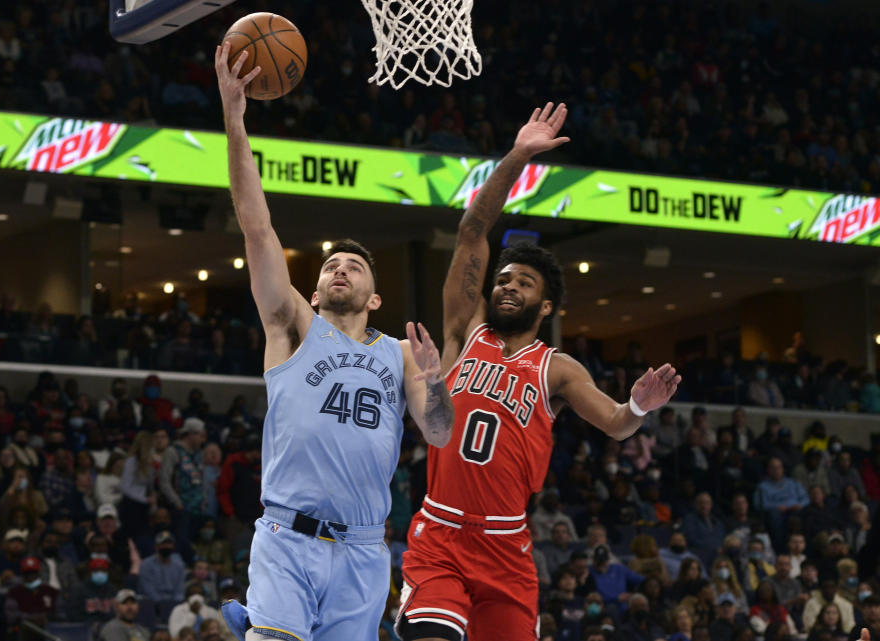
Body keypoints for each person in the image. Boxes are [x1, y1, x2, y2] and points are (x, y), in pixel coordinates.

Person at [397, 101, 680, 641]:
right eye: (504, 279)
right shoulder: (465, 330)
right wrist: (519, 154)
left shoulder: (558, 370)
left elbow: (619, 424)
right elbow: (473, 229)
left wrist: (641, 404)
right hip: (442, 531)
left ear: (545, 307)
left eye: (524, 283)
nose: (507, 286)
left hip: (505, 545)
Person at [214, 44, 455, 641]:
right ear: (315, 292)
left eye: (354, 265)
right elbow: (256, 225)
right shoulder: (294, 323)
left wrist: (436, 381)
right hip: (287, 539)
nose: (339, 269)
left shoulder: (400, 353)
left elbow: (442, 433)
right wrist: (235, 118)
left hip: (365, 553)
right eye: (330, 266)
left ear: (376, 297)